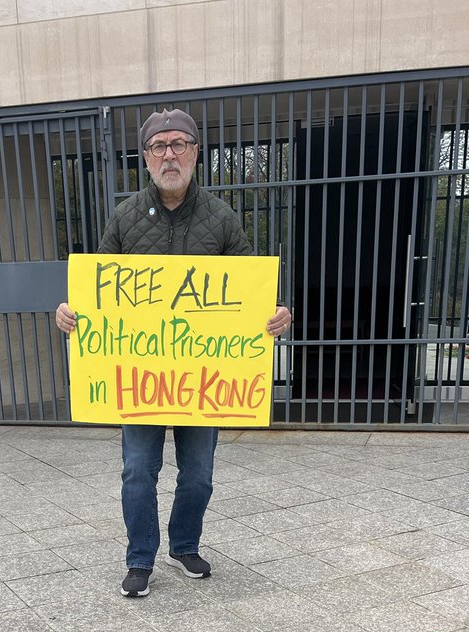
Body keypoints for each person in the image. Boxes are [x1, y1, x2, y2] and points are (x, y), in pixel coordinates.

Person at [56, 107, 292, 598]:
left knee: (199, 474)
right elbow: (97, 290)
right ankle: (139, 558)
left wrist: (274, 316)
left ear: (195, 153)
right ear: (145, 157)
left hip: (203, 376)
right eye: (158, 146)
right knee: (137, 470)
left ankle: (185, 545)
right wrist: (70, 314)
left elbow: (248, 290)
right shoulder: (123, 218)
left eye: (179, 144)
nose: (169, 154)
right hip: (141, 376)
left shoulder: (221, 218)